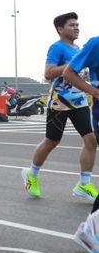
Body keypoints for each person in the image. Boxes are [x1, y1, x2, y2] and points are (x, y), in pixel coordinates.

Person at [21, 12, 96, 201]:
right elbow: (48, 73)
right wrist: (71, 65)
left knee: (91, 141)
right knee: (52, 141)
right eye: (72, 25)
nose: (76, 28)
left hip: (79, 101)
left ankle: (84, 184)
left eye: (77, 25)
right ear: (60, 29)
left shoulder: (79, 48)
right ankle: (31, 174)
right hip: (60, 102)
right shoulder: (57, 47)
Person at [61, 35, 99, 253]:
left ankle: (91, 229)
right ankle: (90, 230)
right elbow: (68, 72)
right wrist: (94, 91)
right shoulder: (96, 44)